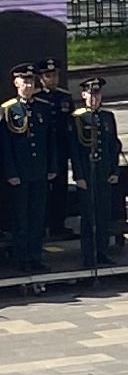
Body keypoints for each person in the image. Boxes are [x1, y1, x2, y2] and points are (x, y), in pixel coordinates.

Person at [1, 63, 57, 272]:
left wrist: (52, 166)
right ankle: (21, 258)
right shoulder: (8, 110)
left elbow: (50, 141)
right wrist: (11, 172)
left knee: (37, 216)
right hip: (20, 173)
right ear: (16, 83)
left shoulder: (42, 107)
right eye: (24, 82)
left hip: (39, 171)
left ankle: (35, 256)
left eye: (31, 81)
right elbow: (5, 145)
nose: (28, 85)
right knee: (20, 217)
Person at [69, 77, 120, 269]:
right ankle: (89, 253)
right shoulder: (77, 118)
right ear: (83, 95)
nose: (94, 98)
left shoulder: (107, 117)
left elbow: (113, 145)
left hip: (104, 170)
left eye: (97, 94)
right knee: (89, 215)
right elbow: (74, 149)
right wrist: (78, 175)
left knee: (103, 213)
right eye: (90, 94)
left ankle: (102, 251)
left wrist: (114, 170)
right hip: (87, 172)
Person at [35, 57, 74, 242]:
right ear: (41, 78)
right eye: (48, 76)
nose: (52, 79)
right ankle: (41, 225)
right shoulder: (36, 98)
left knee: (60, 189)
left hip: (60, 151)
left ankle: (58, 224)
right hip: (42, 153)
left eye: (55, 75)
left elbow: (70, 125)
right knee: (42, 191)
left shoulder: (64, 97)